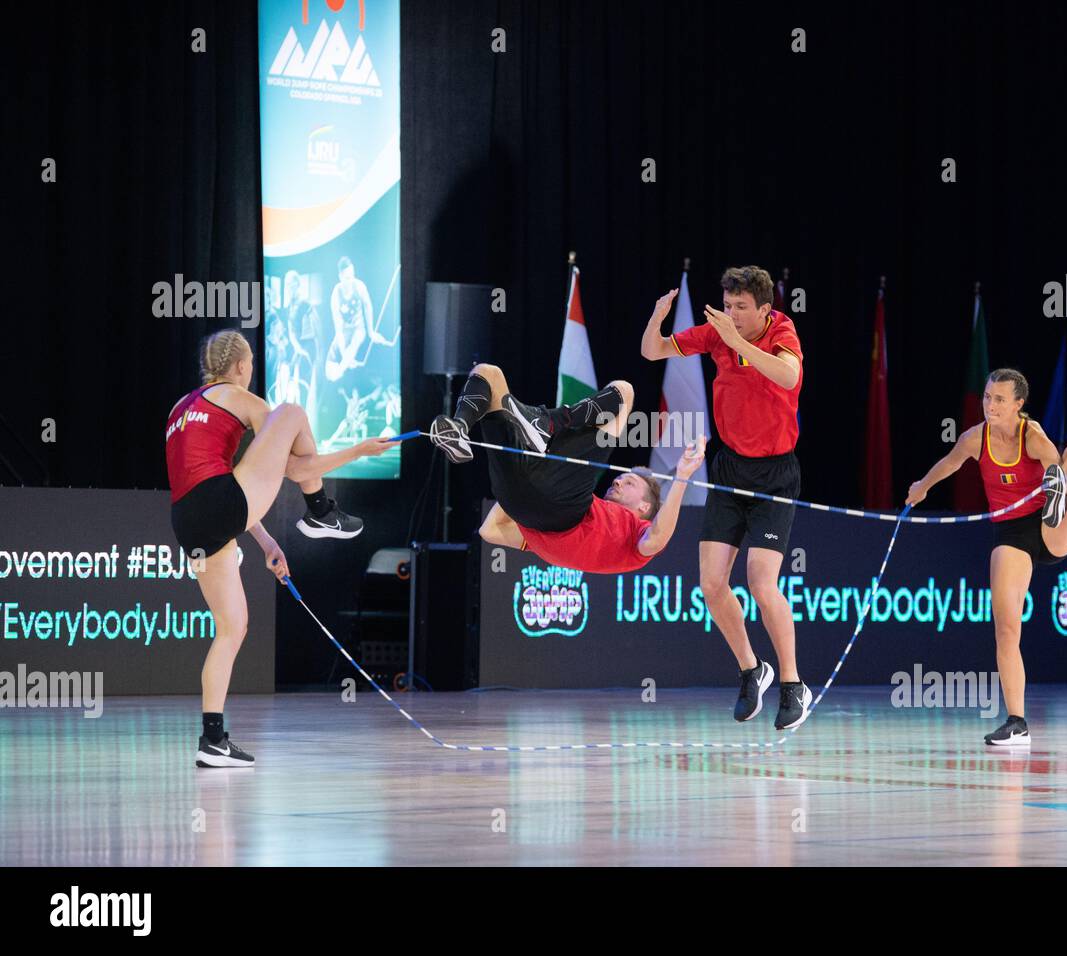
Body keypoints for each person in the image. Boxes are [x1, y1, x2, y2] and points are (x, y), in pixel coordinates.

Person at [166, 330, 391, 767]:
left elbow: (222, 489)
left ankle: (213, 740)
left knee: (231, 628)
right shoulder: (240, 397)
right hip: (221, 502)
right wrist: (359, 451)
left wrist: (268, 542)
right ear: (241, 367)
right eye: (250, 364)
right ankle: (321, 509)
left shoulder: (180, 408)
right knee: (290, 412)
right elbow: (292, 466)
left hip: (187, 521)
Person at [641, 267, 811, 731]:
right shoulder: (717, 332)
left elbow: (789, 376)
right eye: (727, 306)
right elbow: (652, 350)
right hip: (731, 469)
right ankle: (752, 670)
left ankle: (793, 685)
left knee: (761, 581)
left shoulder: (781, 331)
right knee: (712, 584)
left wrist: (735, 343)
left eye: (741, 308)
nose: (731, 315)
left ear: (763, 308)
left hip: (775, 475)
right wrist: (657, 319)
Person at [905, 368, 1067, 746]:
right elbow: (949, 463)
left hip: (1050, 526)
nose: (990, 405)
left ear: (1018, 405)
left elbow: (1056, 461)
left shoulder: (1030, 436)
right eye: (986, 397)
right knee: (1005, 628)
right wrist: (922, 487)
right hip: (1011, 534)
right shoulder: (973, 439)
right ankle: (1017, 721)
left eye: (999, 399)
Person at [430, 363, 704, 573]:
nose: (617, 482)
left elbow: (658, 537)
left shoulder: (635, 535)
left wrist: (681, 477)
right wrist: (527, 474)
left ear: (644, 508)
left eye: (629, 483)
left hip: (560, 506)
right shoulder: (560, 536)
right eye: (622, 479)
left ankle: (548, 422)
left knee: (624, 391)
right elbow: (488, 532)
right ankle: (459, 428)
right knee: (488, 373)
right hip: (519, 499)